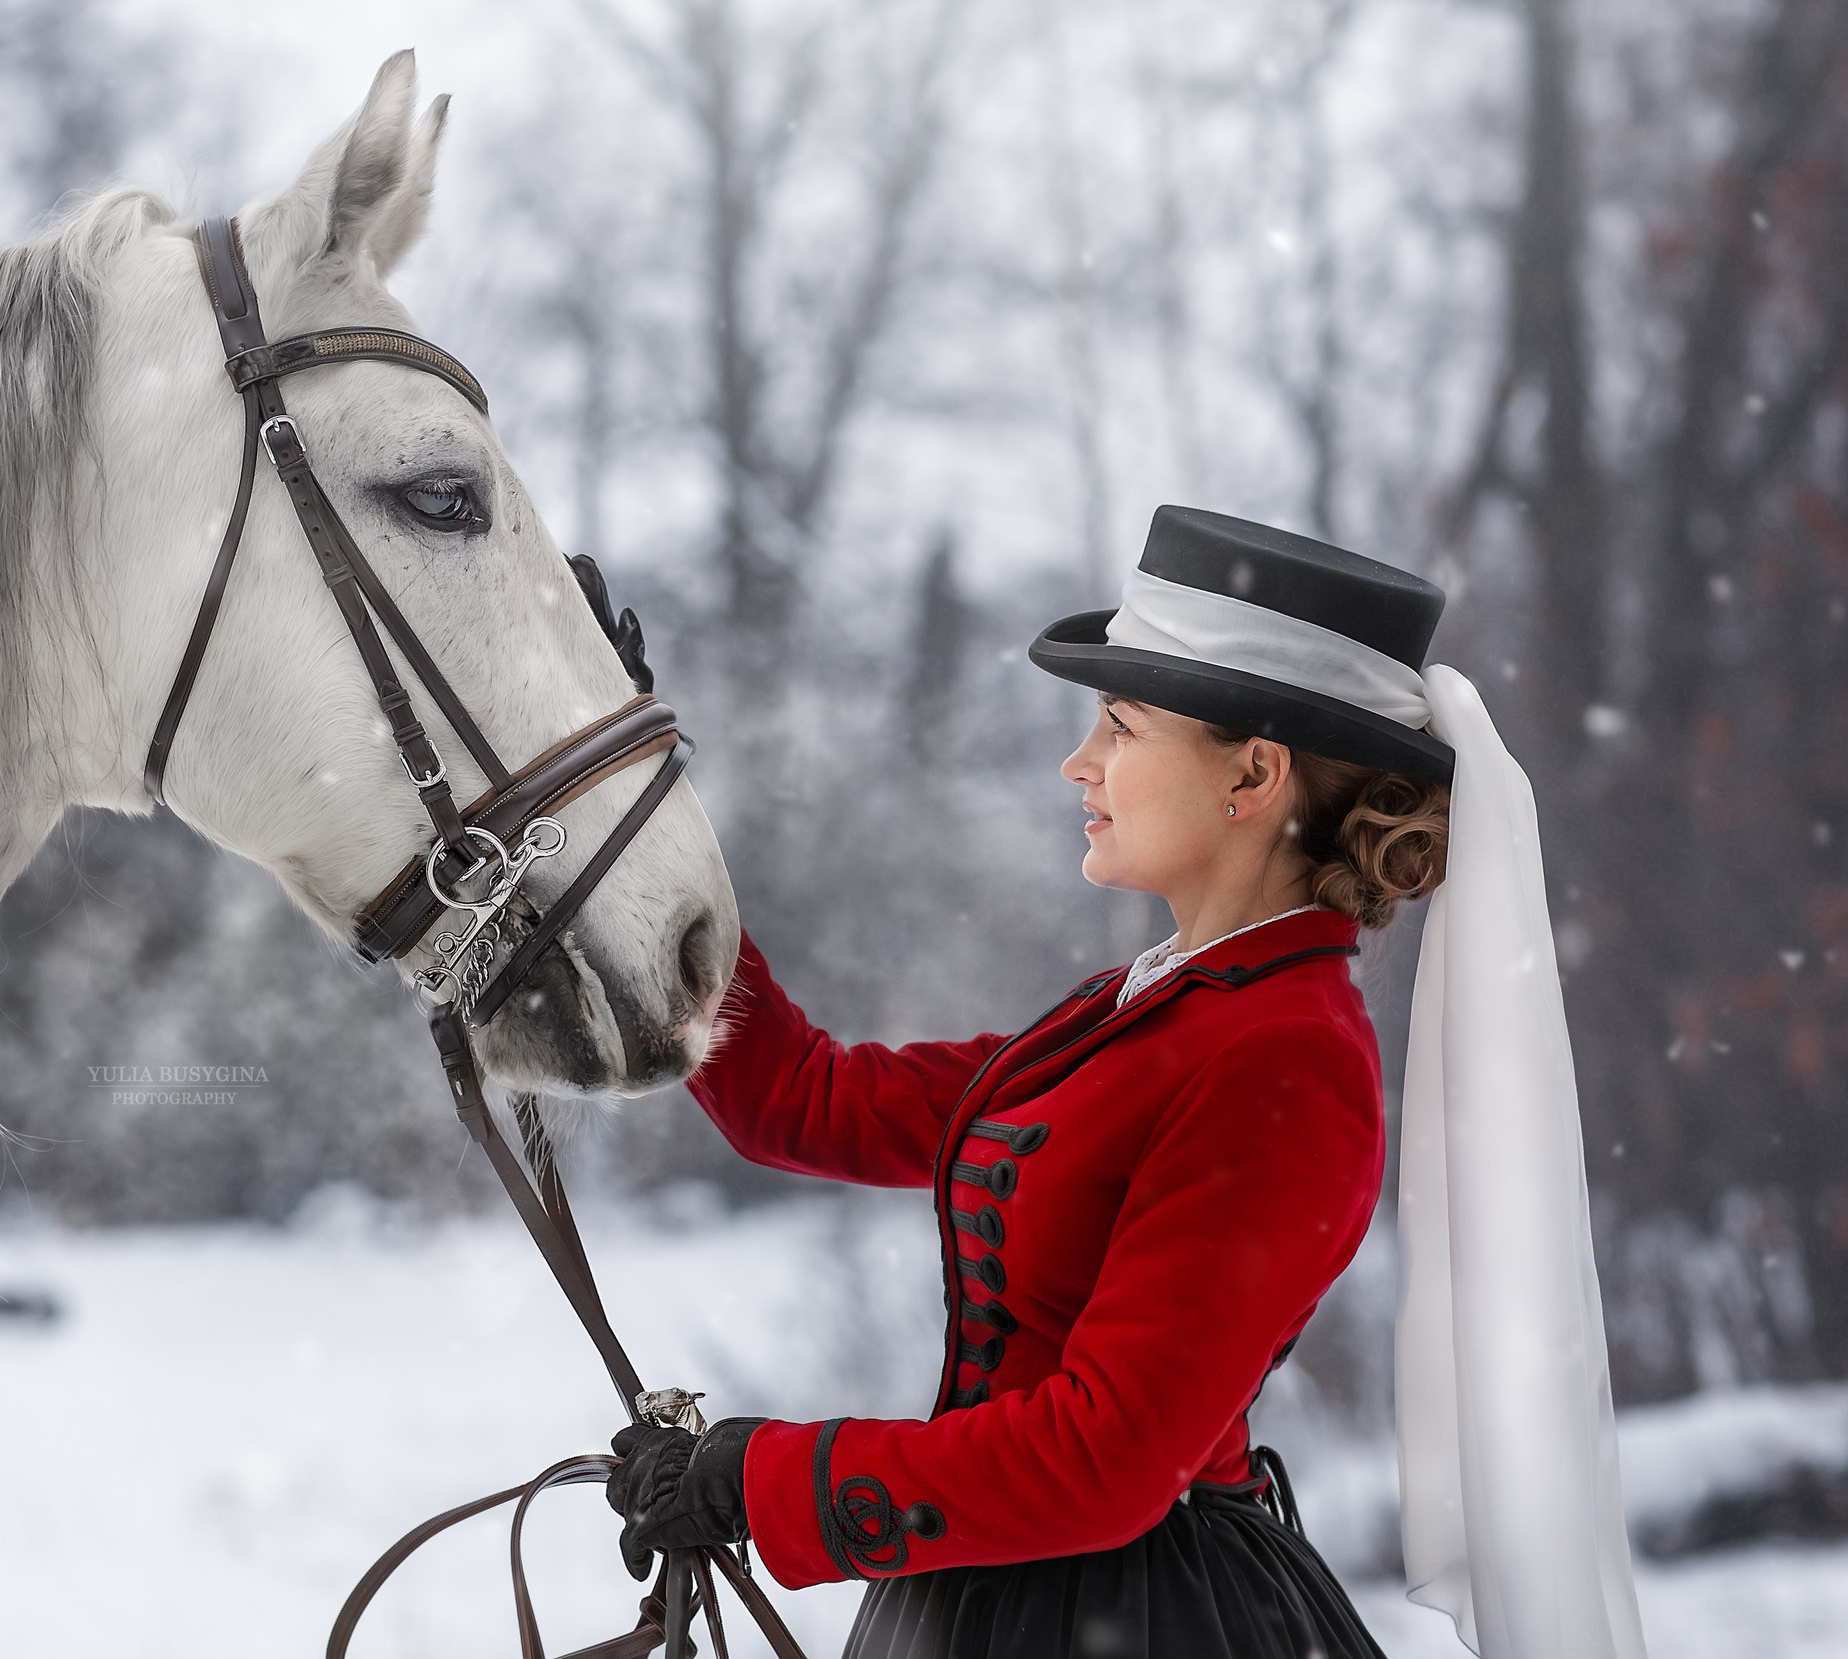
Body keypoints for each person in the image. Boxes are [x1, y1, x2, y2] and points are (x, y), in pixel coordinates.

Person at [603, 506, 1646, 1659]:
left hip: (1144, 1618)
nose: (1079, 762)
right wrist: (639, 809)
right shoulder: (1142, 1010)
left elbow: (1104, 1462)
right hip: (1000, 1597)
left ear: (1251, 775)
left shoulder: (1285, 1058)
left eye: (1121, 726)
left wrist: (764, 1482)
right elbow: (799, 1102)